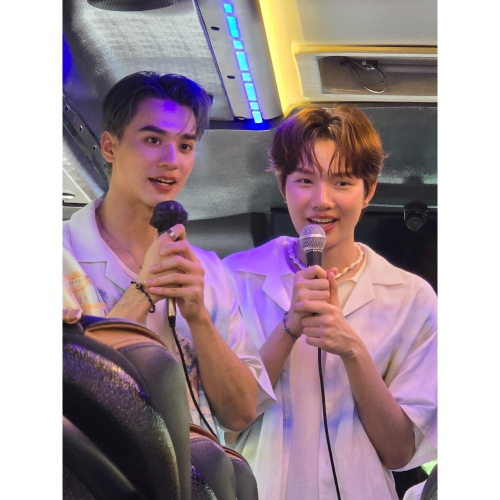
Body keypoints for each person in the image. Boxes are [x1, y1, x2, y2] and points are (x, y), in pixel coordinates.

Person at [223, 106, 437, 499]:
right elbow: (224, 422)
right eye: (305, 180)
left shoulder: (412, 299)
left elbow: (399, 452)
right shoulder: (234, 279)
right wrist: (289, 328)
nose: (322, 200)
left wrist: (352, 348)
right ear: (282, 185)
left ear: (368, 191)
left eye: (342, 182)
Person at [63, 71, 274, 437]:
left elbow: (241, 414)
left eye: (185, 146)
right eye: (153, 139)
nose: (172, 160)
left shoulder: (208, 270)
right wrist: (143, 292)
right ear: (110, 147)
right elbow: (69, 389)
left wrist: (198, 318)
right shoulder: (59, 253)